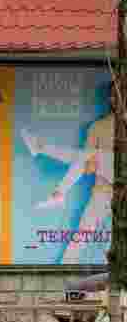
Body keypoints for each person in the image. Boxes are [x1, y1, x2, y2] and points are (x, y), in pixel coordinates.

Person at [22, 113, 113, 264]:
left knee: (86, 156)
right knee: (82, 235)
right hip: (103, 190)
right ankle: (64, 271)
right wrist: (89, 166)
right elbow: (83, 164)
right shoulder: (98, 126)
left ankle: (42, 151)